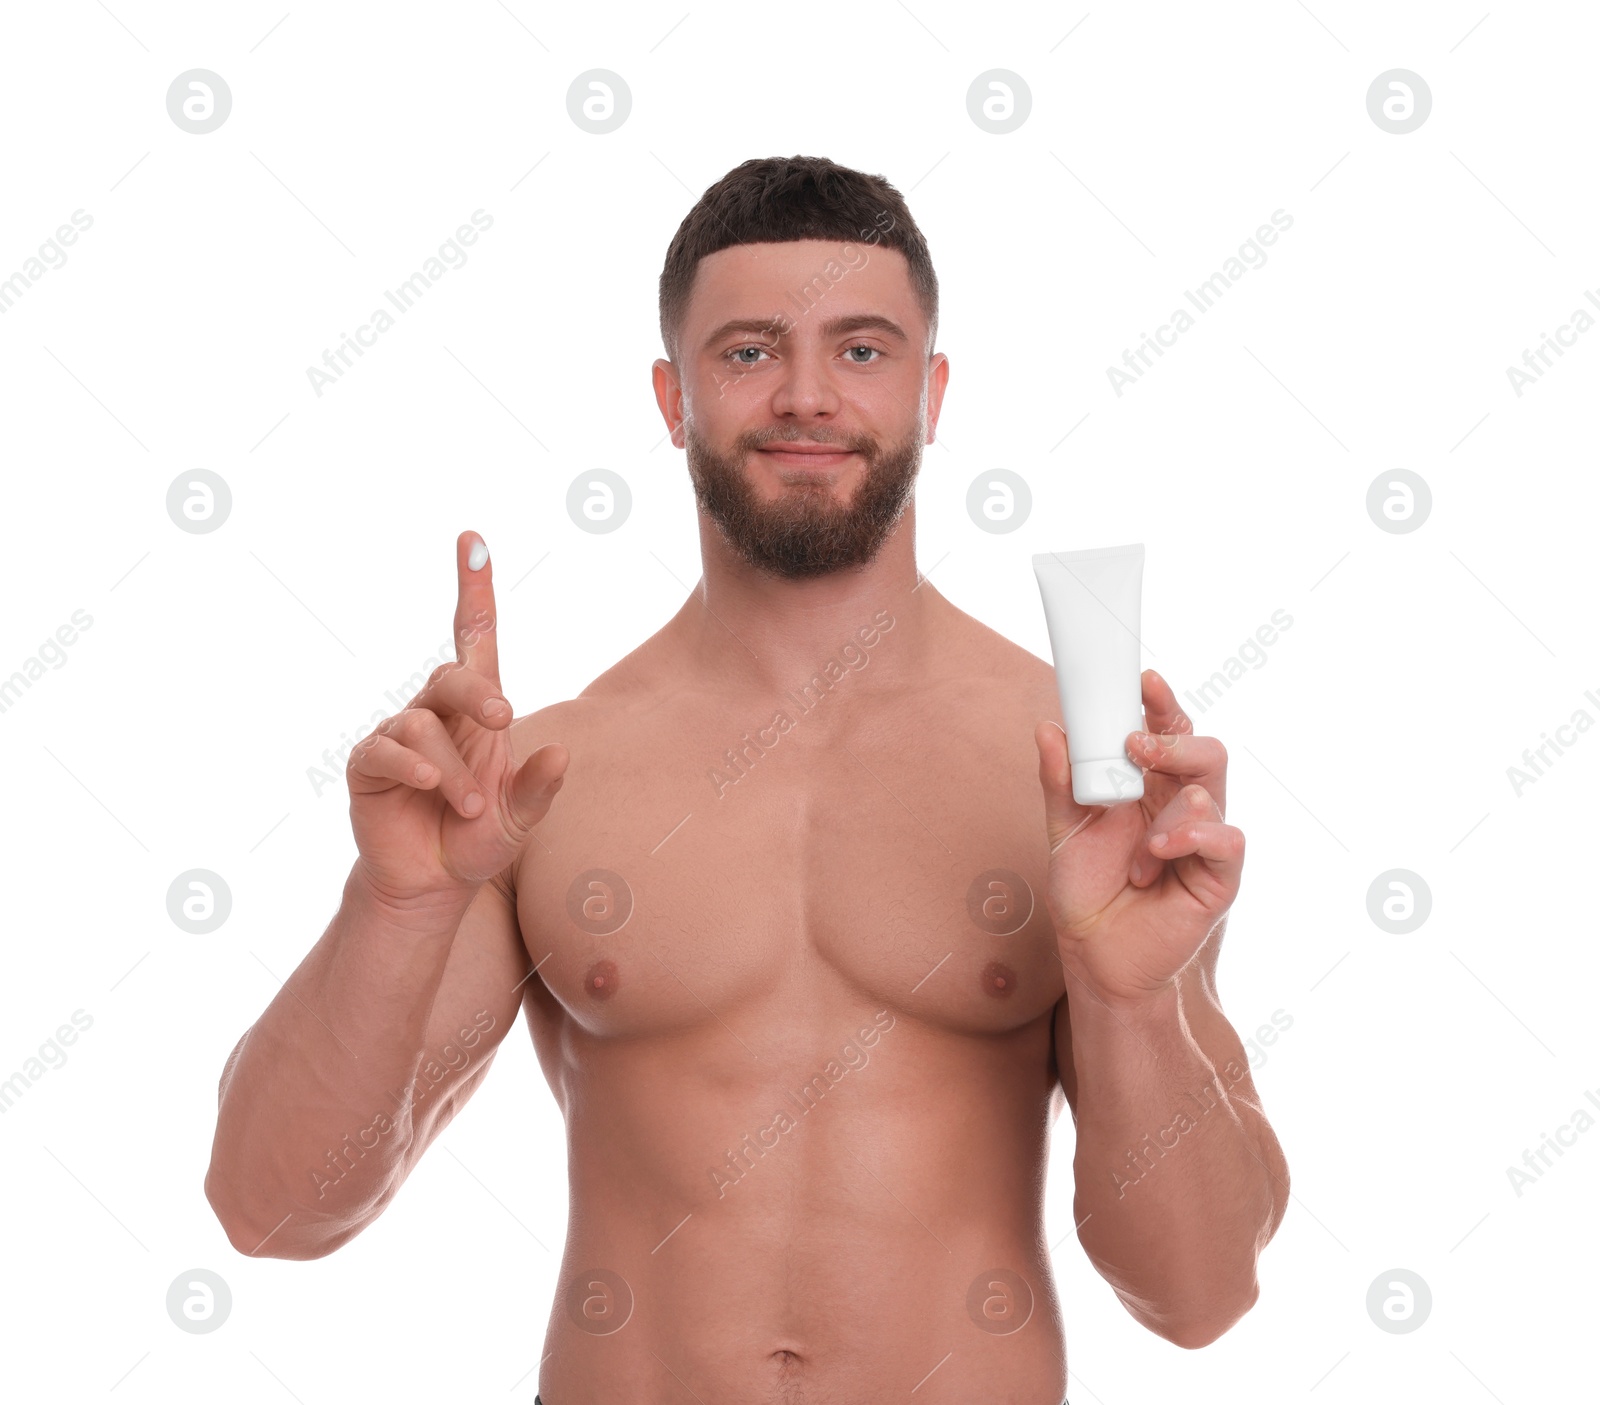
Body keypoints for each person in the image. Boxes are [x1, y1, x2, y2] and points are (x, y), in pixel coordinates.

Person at [205, 154, 1288, 1405]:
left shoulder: (1079, 772)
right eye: (749, 352)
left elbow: (1200, 1296)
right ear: (672, 398)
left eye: (865, 351)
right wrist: (394, 904)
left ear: (934, 394)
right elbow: (270, 1212)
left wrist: (1127, 998)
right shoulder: (547, 776)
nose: (808, 395)